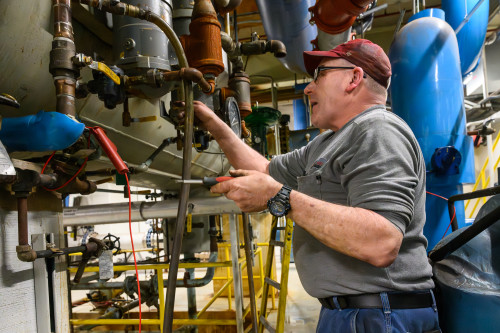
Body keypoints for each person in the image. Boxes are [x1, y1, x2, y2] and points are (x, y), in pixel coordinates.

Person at [183, 39, 440, 332]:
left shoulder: (377, 130)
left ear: (354, 78)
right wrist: (215, 125)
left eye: (320, 75)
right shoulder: (327, 142)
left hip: (380, 314)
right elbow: (266, 170)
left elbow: (381, 242)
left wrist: (277, 197)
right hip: (350, 312)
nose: (308, 88)